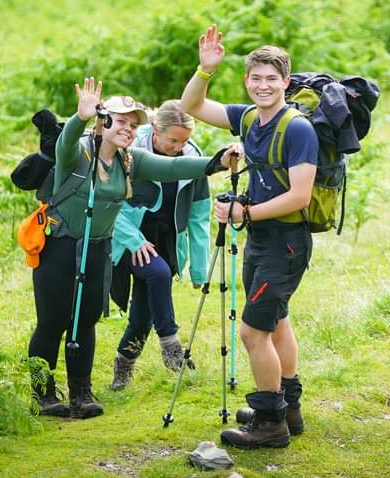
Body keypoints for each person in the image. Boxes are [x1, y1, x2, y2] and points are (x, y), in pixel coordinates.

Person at [30, 78, 238, 419]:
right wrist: (80, 118)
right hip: (59, 247)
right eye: (121, 121)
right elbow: (64, 144)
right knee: (52, 322)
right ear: (103, 122)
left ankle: (82, 393)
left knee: (85, 321)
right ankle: (43, 394)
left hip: (98, 250)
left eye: (132, 123)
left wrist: (216, 162)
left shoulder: (130, 160)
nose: (128, 128)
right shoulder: (78, 153)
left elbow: (173, 168)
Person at [179, 25, 316, 448]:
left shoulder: (298, 130)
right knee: (276, 325)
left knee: (252, 333)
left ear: (285, 83)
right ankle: (286, 407)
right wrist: (205, 69)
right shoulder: (249, 117)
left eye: (271, 79)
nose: (262, 85)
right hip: (260, 239)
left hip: (286, 242)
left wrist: (246, 211)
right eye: (255, 78)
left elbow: (300, 196)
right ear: (247, 81)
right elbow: (192, 106)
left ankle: (270, 422)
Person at [108, 101, 211, 391]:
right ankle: (172, 348)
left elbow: (198, 217)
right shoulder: (128, 152)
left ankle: (122, 368)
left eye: (184, 141)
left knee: (142, 316)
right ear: (154, 130)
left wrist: (199, 270)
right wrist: (133, 240)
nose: (179, 147)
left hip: (164, 240)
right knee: (159, 274)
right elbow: (110, 203)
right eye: (172, 140)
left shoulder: (193, 158)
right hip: (127, 237)